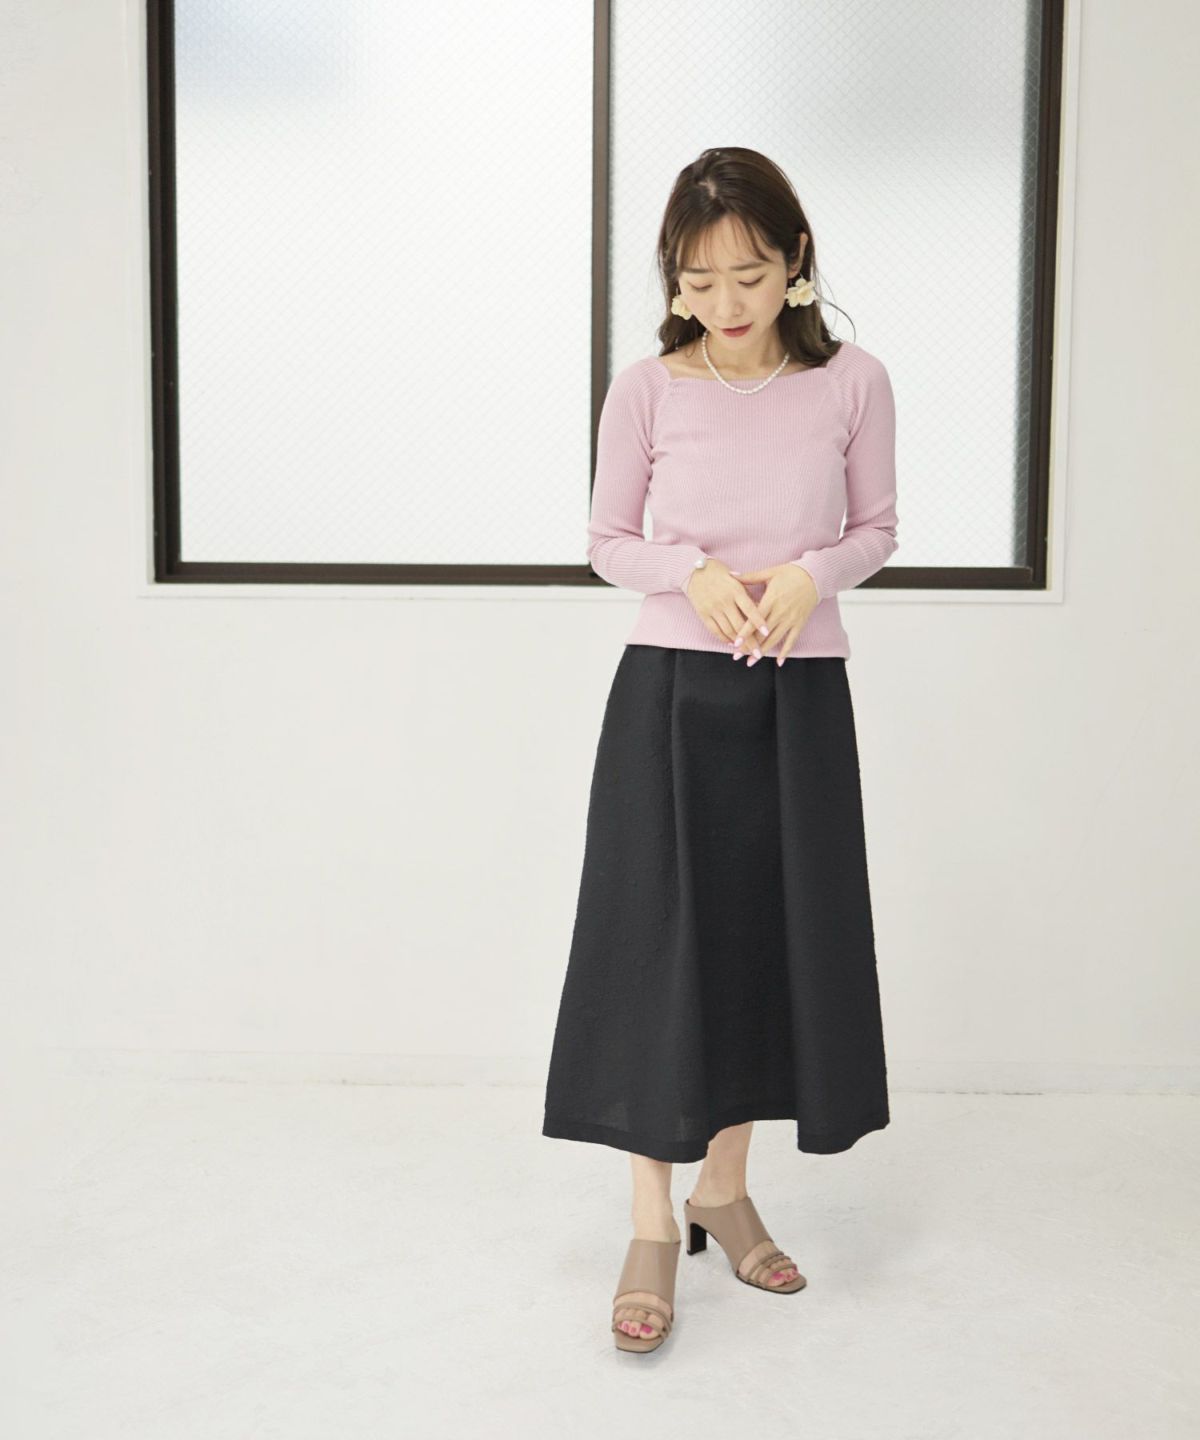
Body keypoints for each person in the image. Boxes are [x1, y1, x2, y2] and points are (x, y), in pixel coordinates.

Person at [542, 147, 898, 1354]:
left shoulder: (853, 382)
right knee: (658, 945)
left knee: (761, 940)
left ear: (795, 261)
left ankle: (725, 1191)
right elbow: (607, 539)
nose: (725, 303)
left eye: (748, 275)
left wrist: (812, 574)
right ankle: (652, 1218)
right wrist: (689, 571)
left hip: (800, 699)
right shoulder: (648, 389)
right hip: (670, 696)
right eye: (698, 282)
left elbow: (878, 526)